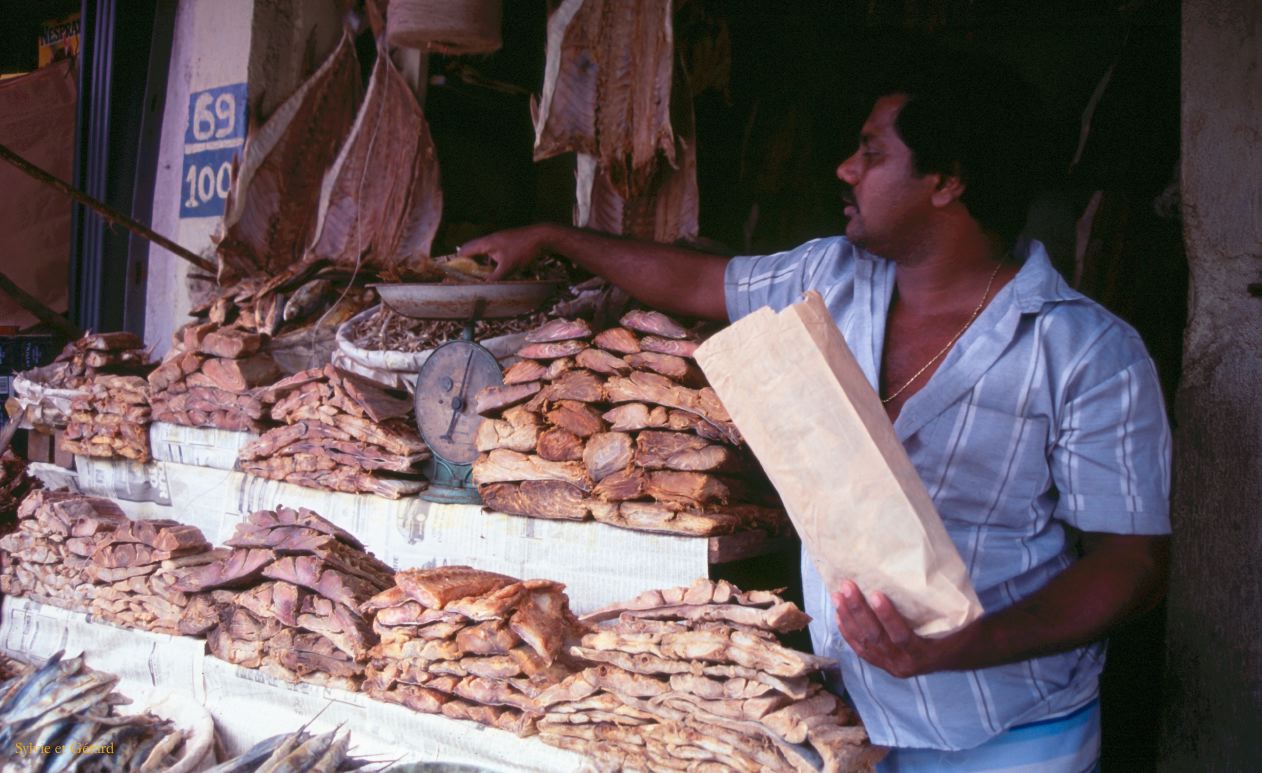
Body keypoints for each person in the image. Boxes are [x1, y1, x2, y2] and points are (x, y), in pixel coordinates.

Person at [461, 47, 1170, 771]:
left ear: (948, 181)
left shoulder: (1085, 350)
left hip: (1005, 732)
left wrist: (965, 644)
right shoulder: (828, 276)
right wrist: (554, 236)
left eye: (871, 152)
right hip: (844, 720)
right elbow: (697, 282)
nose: (845, 169)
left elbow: (1133, 562)